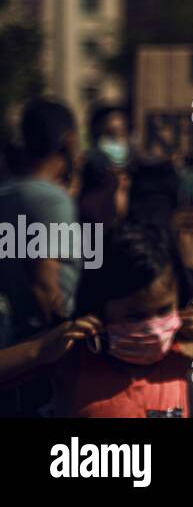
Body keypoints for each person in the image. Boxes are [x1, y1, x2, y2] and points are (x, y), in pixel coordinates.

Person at [0, 221, 193, 417]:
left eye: (163, 311)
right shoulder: (72, 356)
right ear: (100, 308)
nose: (152, 325)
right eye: (135, 315)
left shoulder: (184, 354)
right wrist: (38, 351)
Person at [0, 99, 82, 369]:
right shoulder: (52, 201)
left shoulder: (8, 194)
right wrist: (58, 343)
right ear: (69, 142)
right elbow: (44, 284)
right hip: (44, 348)